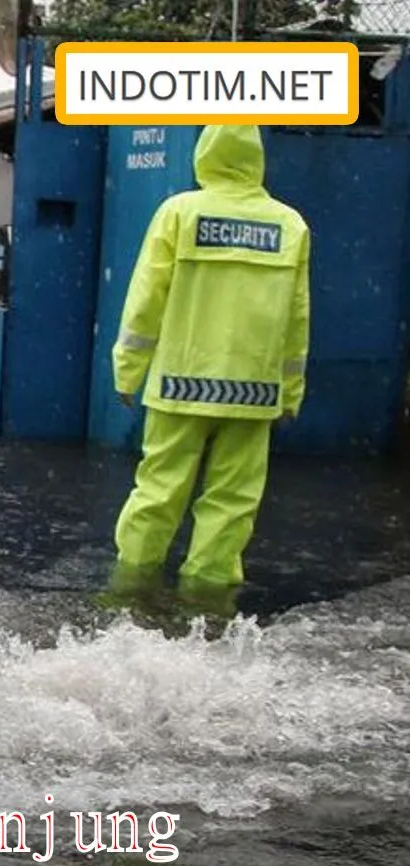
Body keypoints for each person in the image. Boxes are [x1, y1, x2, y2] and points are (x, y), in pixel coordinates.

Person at [108, 124, 310, 611]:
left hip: (180, 385)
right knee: (232, 505)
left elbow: (145, 301)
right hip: (254, 393)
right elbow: (297, 319)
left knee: (157, 495)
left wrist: (128, 371)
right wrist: (290, 391)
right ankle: (206, 607)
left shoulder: (179, 212)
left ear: (205, 154)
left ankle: (128, 598)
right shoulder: (290, 226)